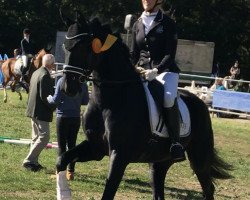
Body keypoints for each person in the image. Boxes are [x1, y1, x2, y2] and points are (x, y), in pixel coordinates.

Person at [131, 0, 185, 162]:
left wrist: (157, 70)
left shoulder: (167, 23)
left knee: (168, 98)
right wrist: (130, 68)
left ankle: (175, 143)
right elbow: (134, 53)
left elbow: (170, 54)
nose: (146, 0)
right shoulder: (137, 24)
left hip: (165, 71)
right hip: (142, 70)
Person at [47, 76, 89, 180]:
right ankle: (70, 172)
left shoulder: (62, 80)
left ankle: (60, 172)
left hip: (62, 117)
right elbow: (85, 101)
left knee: (61, 146)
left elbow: (55, 101)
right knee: (72, 146)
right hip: (75, 117)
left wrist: (49, 98)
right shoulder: (83, 83)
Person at [22, 54, 56, 172]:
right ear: (51, 64)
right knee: (44, 137)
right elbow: (46, 96)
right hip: (40, 111)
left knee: (35, 137)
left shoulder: (36, 72)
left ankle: (34, 163)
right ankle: (29, 160)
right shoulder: (45, 75)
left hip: (32, 109)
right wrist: (54, 106)